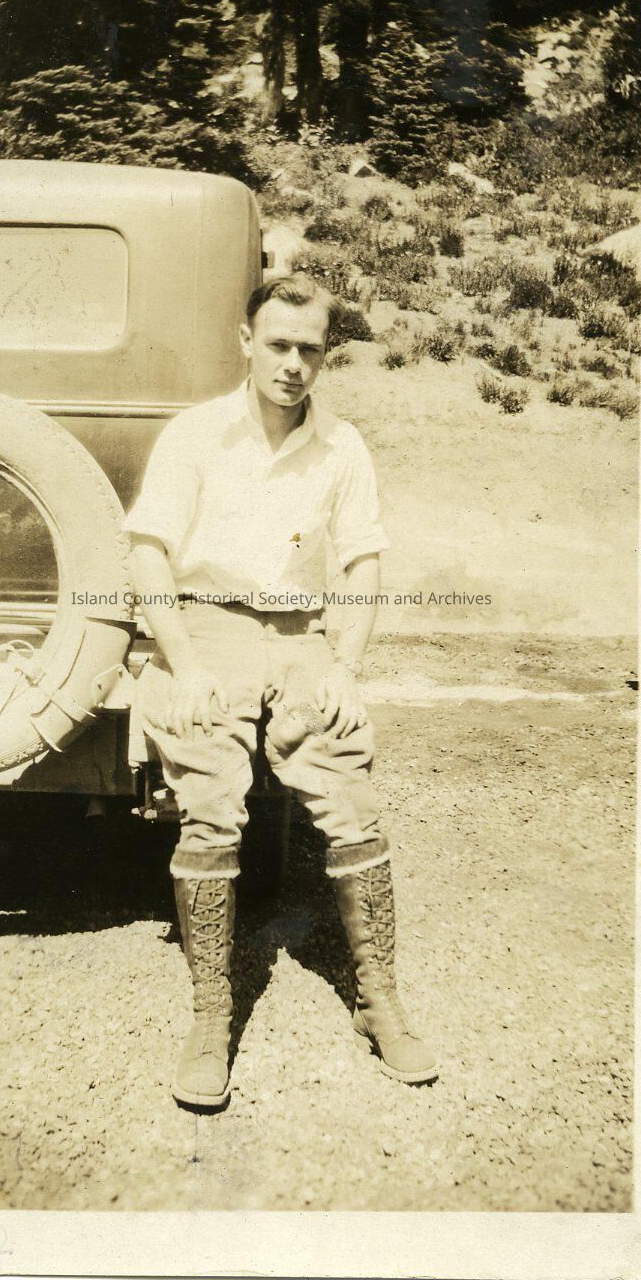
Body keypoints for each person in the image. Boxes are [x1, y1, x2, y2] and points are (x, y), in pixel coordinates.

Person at [122, 273, 437, 1109]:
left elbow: (362, 561)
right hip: (207, 629)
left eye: (310, 349)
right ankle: (210, 1014)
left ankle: (379, 999)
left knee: (347, 785)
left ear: (325, 355)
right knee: (211, 797)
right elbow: (149, 552)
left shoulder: (343, 446)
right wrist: (183, 662)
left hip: (300, 635)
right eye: (279, 345)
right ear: (246, 342)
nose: (294, 364)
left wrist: (344, 667)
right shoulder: (195, 435)